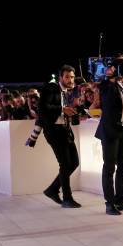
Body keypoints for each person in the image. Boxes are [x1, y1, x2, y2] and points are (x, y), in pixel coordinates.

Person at [95, 60, 123, 216]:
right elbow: (107, 103)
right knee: (109, 167)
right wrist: (113, 79)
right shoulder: (106, 85)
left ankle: (120, 200)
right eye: (117, 68)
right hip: (110, 131)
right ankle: (109, 203)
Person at [35, 65, 82, 208]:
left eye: (72, 77)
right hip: (54, 131)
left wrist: (75, 109)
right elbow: (42, 108)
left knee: (73, 163)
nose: (70, 79)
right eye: (67, 77)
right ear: (60, 77)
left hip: (65, 130)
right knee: (65, 164)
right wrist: (62, 109)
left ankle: (52, 189)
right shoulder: (52, 87)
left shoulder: (67, 92)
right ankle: (67, 198)